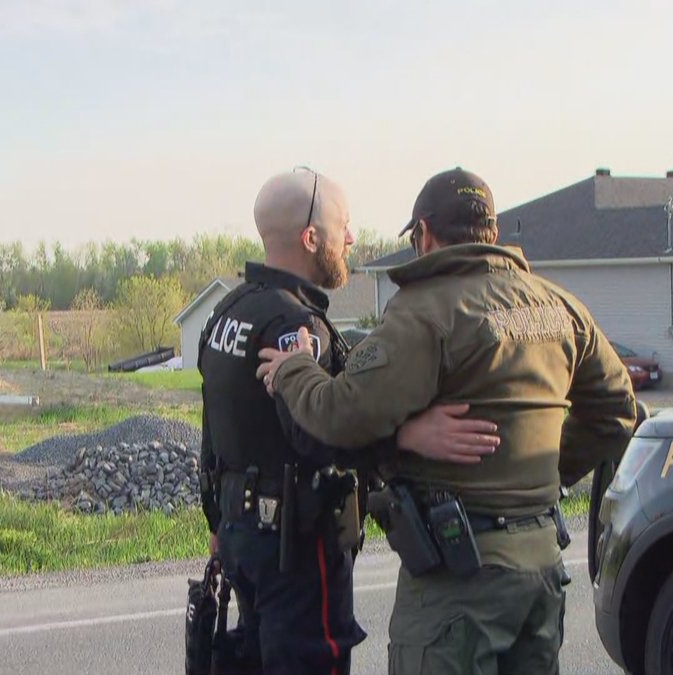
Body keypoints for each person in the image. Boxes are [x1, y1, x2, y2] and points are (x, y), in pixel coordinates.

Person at [256, 167, 638, 675]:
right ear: (493, 234)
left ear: (424, 234)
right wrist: (542, 468)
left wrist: (294, 370)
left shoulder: (425, 312)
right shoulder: (560, 306)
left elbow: (341, 415)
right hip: (542, 567)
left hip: (460, 580)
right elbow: (617, 412)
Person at [198, 167, 501, 675]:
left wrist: (216, 522)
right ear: (311, 237)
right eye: (344, 226)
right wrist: (408, 437)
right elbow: (316, 431)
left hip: (241, 535)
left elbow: (213, 430)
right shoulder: (295, 325)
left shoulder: (228, 312)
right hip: (298, 548)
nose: (353, 237)